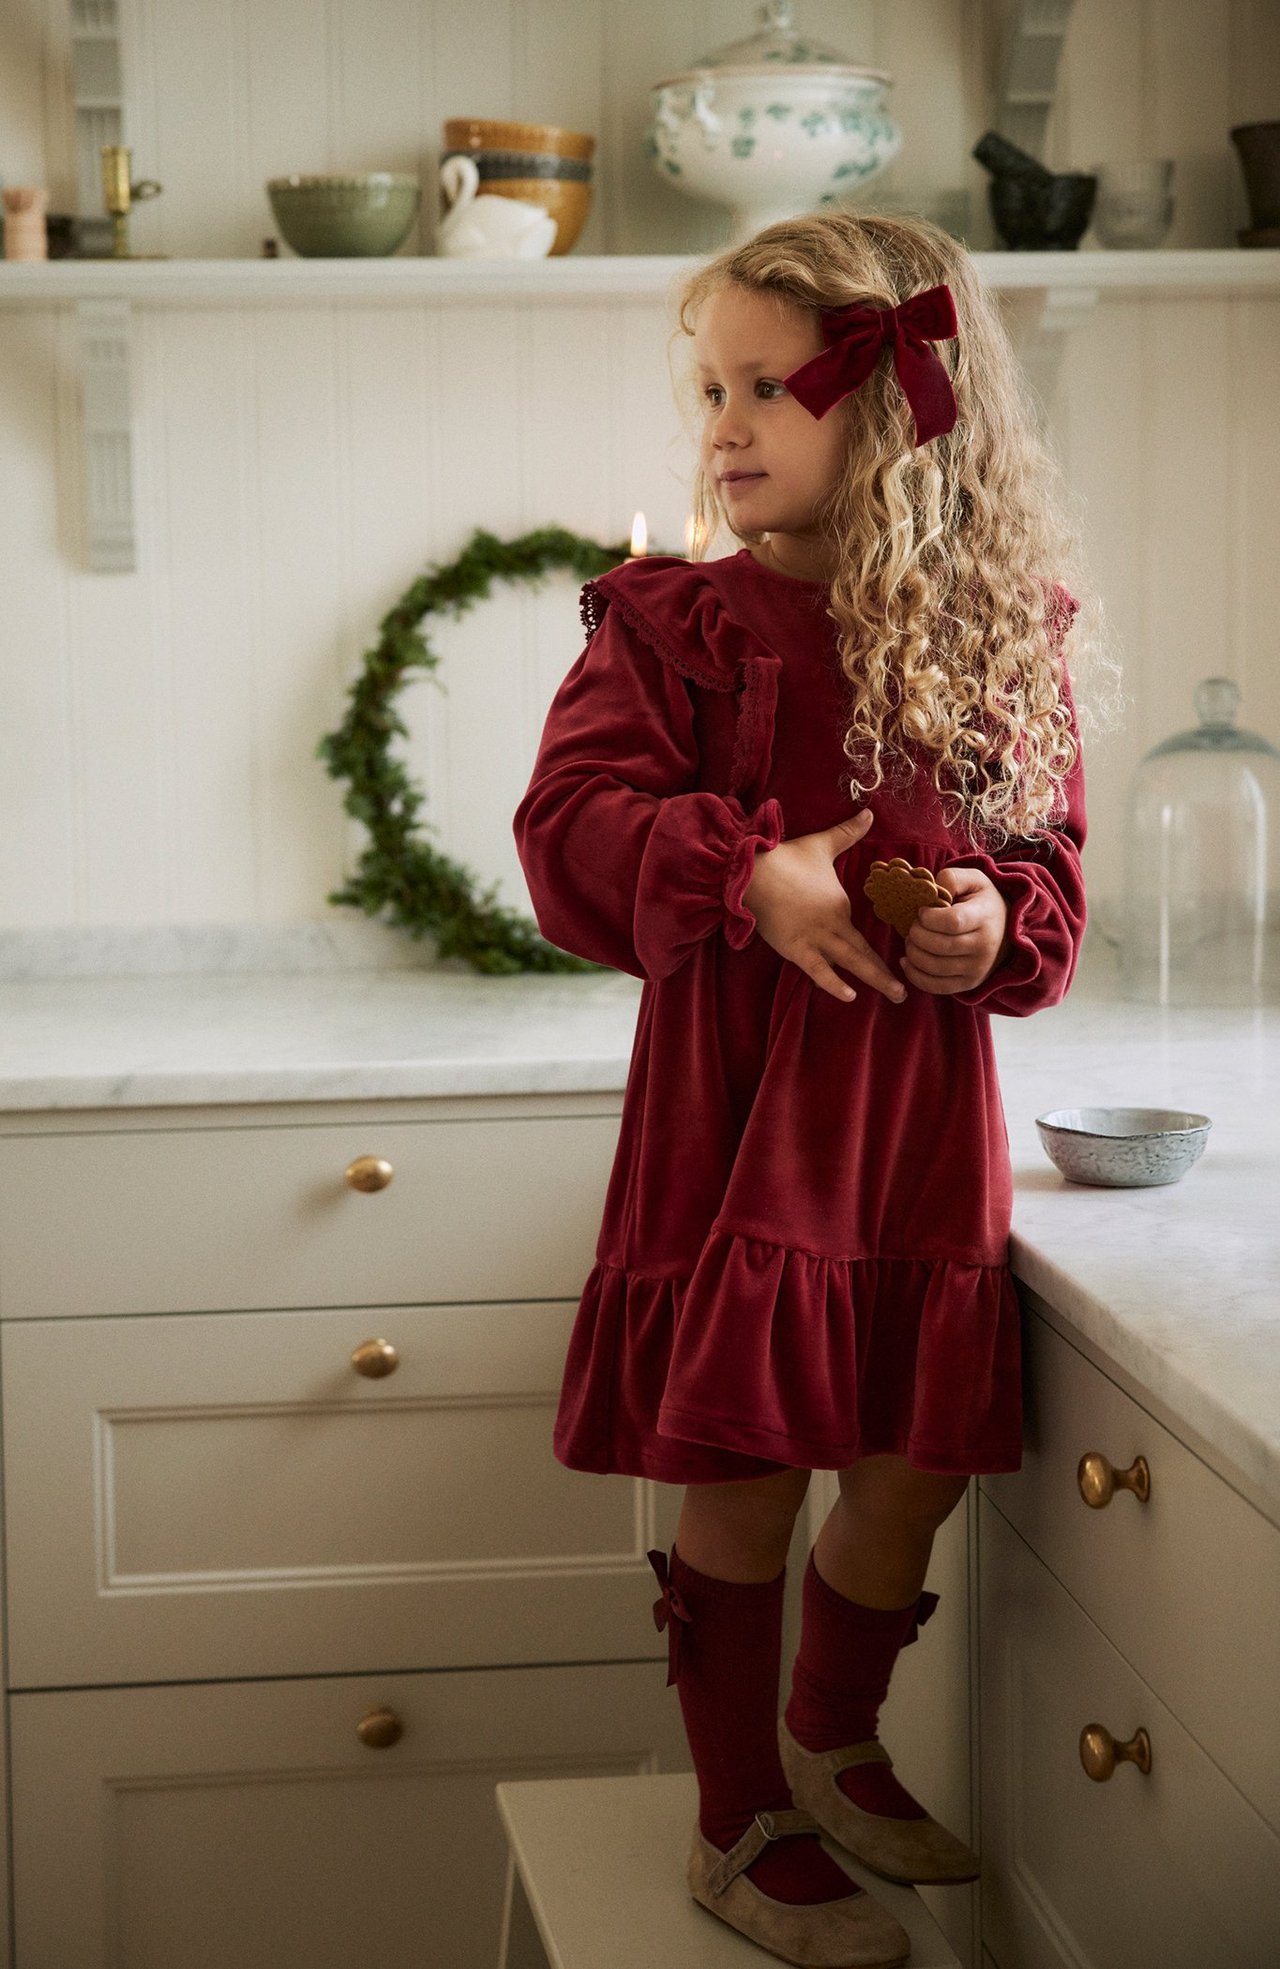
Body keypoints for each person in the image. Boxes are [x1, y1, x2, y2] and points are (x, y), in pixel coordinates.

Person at [512, 210, 1109, 1969]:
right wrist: (743, 874)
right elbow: (566, 831)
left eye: (767, 387)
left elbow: (1049, 873)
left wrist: (988, 922)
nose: (724, 426)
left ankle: (833, 1736)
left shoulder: (996, 638)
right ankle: (735, 1817)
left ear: (901, 408)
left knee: (915, 1465)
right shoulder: (672, 627)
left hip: (909, 1123)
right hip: (734, 1118)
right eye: (710, 389)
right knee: (754, 1472)